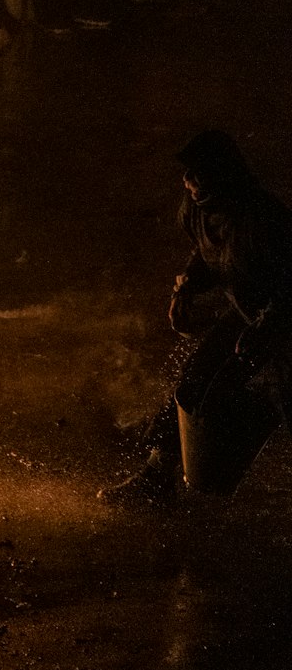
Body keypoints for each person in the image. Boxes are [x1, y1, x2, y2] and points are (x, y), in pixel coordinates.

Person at [102, 131, 292, 505]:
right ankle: (156, 477)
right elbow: (207, 258)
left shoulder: (262, 221)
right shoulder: (198, 210)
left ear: (224, 174)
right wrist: (186, 287)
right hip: (247, 314)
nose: (188, 181)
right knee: (195, 381)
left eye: (200, 172)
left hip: (285, 318)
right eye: (189, 172)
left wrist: (268, 327)